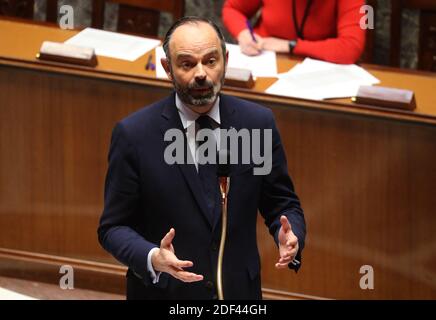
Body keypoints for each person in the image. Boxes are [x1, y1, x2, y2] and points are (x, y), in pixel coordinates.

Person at [98, 16, 306, 300]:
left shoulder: (256, 124)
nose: (201, 74)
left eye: (210, 61)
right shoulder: (134, 135)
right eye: (187, 64)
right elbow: (113, 227)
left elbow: (282, 203)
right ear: (167, 69)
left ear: (226, 60)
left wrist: (289, 235)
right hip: (165, 293)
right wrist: (152, 257)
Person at [222, 0, 366, 64]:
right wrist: (243, 33)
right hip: (264, 59)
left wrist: (290, 45)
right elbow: (233, 8)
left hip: (318, 65)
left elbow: (351, 46)